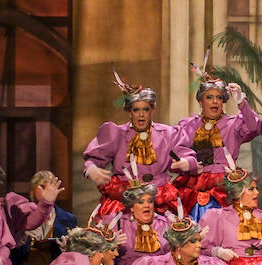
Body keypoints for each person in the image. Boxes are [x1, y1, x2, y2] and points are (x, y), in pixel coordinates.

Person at [83, 72, 194, 216]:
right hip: (125, 199)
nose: (141, 114)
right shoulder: (117, 134)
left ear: (152, 111)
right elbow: (92, 160)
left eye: (146, 109)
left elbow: (188, 156)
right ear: (130, 112)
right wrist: (91, 169)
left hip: (160, 199)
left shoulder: (167, 134)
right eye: (136, 110)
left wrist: (187, 162)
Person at [172, 59, 260, 220]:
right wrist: (189, 164)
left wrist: (241, 102)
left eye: (219, 98)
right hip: (195, 186)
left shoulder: (233, 123)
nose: (214, 101)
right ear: (200, 101)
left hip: (224, 186)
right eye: (209, 97)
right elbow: (178, 156)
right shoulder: (188, 126)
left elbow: (254, 128)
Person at [200, 169, 262, 265]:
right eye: (251, 189)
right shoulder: (218, 217)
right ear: (239, 193)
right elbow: (200, 250)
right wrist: (218, 252)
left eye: (256, 189)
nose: (257, 193)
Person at [113, 181, 169, 265]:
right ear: (131, 207)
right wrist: (111, 244)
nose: (146, 205)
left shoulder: (165, 223)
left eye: (150, 201)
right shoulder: (118, 223)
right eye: (140, 202)